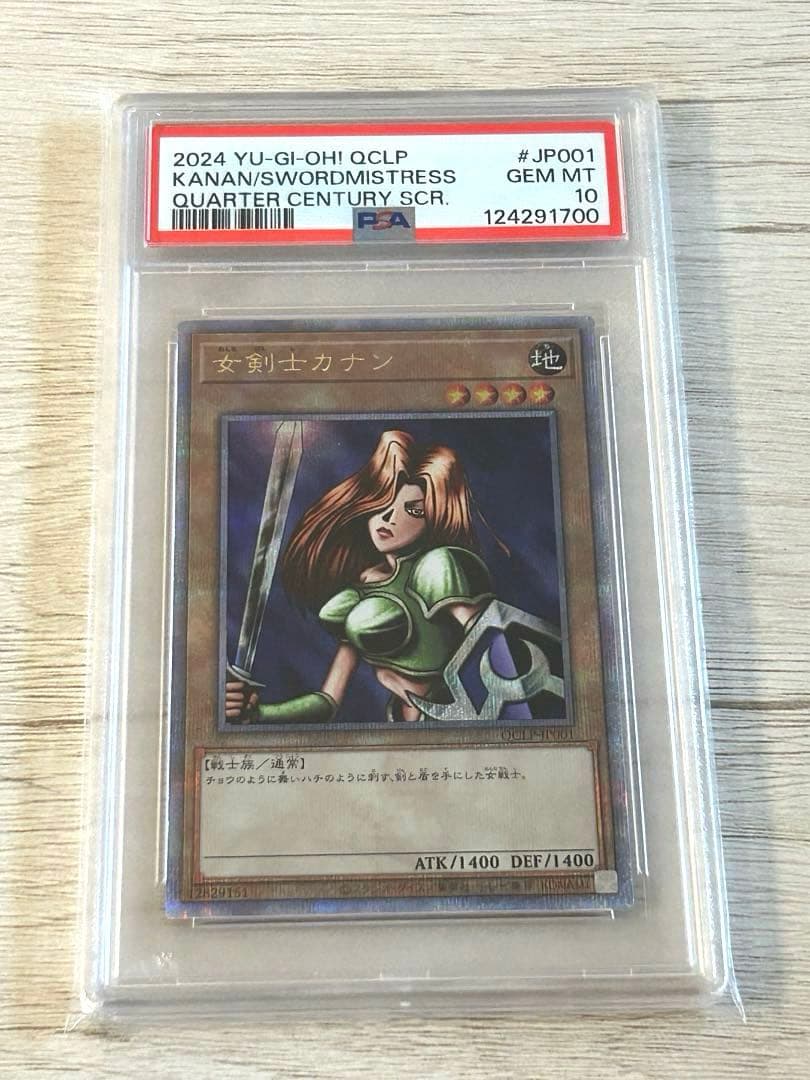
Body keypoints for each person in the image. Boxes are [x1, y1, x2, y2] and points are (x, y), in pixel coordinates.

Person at [225, 429, 495, 724]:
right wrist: (259, 713)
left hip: (457, 719)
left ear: (434, 515)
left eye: (413, 510)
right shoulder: (361, 592)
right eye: (384, 501)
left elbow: (496, 650)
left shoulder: (439, 567)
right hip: (401, 723)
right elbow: (327, 702)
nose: (389, 517)